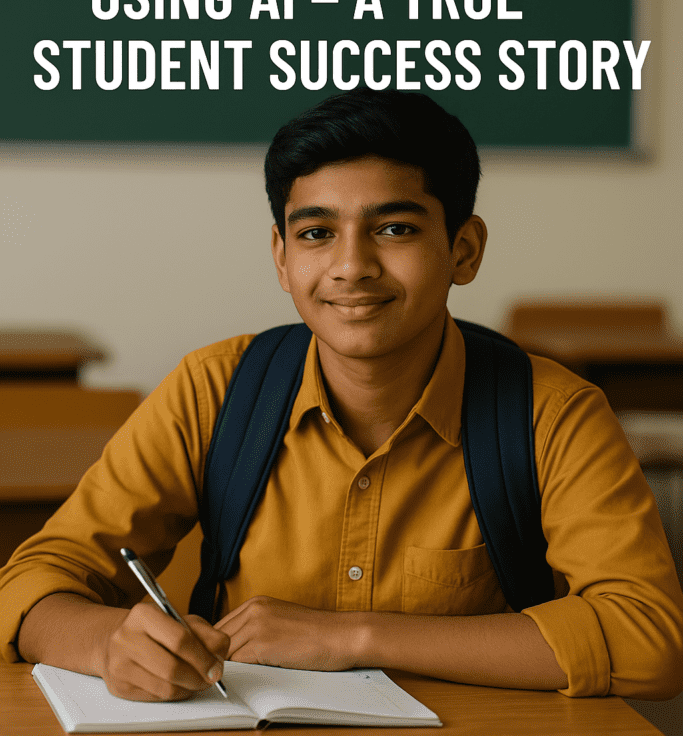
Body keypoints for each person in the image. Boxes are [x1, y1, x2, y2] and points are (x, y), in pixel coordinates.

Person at [1, 88, 682, 704]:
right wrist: (109, 644)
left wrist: (353, 636)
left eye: (395, 228)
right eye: (316, 233)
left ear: (464, 250)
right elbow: (31, 584)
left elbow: (647, 638)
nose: (351, 266)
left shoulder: (550, 413)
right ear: (281, 257)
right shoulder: (215, 390)